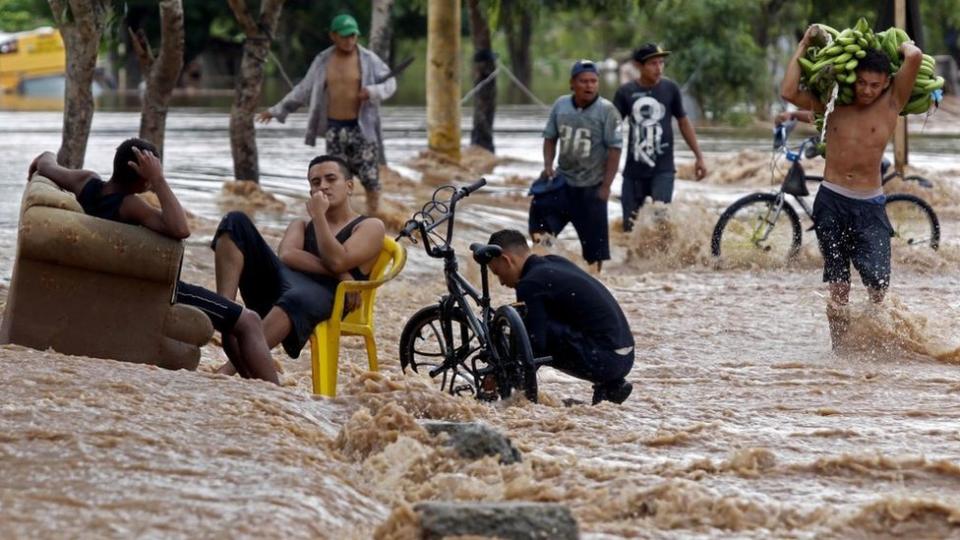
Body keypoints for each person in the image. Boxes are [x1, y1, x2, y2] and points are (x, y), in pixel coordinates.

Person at [26, 139, 278, 383]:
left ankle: (252, 386)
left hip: (117, 286)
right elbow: (180, 228)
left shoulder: (85, 182)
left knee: (232, 321)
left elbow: (46, 164)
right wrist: (158, 180)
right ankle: (277, 395)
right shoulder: (129, 205)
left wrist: (44, 156)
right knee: (249, 320)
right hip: (154, 291)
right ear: (140, 173)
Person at [781, 25, 922, 349]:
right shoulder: (832, 103)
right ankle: (841, 351)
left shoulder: (891, 102)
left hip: (870, 205)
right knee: (838, 286)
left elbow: (913, 55)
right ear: (851, 79)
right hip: (831, 201)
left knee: (878, 285)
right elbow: (789, 92)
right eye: (861, 82)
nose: (867, 90)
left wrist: (893, 47)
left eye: (874, 84)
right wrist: (804, 42)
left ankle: (879, 345)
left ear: (886, 82)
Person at [211, 155, 385, 369]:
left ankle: (230, 369)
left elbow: (338, 260)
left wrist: (319, 217)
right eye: (316, 183)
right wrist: (339, 274)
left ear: (349, 186)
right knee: (234, 221)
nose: (323, 187)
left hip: (328, 298)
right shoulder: (301, 224)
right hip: (281, 286)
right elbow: (288, 255)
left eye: (331, 179)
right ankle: (225, 316)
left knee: (298, 296)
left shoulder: (370, 226)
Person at [256, 14, 395, 215]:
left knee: (371, 181)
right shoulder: (323, 60)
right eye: (345, 36)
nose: (350, 41)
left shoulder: (368, 59)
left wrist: (373, 92)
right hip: (334, 130)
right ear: (333, 36)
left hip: (362, 130)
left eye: (353, 36)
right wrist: (276, 110)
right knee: (335, 180)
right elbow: (303, 90)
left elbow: (390, 83)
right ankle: (341, 221)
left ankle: (375, 220)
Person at [486, 229, 635, 405]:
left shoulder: (530, 283)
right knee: (537, 328)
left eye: (497, 273)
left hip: (605, 360)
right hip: (625, 354)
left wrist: (501, 375)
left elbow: (534, 345)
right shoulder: (554, 263)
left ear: (506, 260)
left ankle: (510, 400)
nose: (502, 282)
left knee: (524, 336)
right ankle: (611, 387)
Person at [530, 59, 622, 272]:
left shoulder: (607, 111)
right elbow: (550, 137)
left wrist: (606, 186)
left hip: (591, 187)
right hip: (563, 182)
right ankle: (545, 268)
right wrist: (548, 165)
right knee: (540, 219)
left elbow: (615, 150)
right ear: (572, 83)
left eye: (593, 81)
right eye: (583, 81)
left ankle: (595, 279)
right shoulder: (561, 105)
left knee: (594, 252)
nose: (589, 86)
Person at [613, 43, 707, 232]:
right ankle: (631, 263)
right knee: (628, 228)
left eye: (661, 63)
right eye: (653, 64)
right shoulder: (625, 93)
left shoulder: (670, 89)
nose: (659, 68)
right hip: (633, 172)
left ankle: (658, 262)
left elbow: (683, 122)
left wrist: (699, 157)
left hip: (663, 170)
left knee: (660, 223)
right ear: (638, 66)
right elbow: (612, 127)